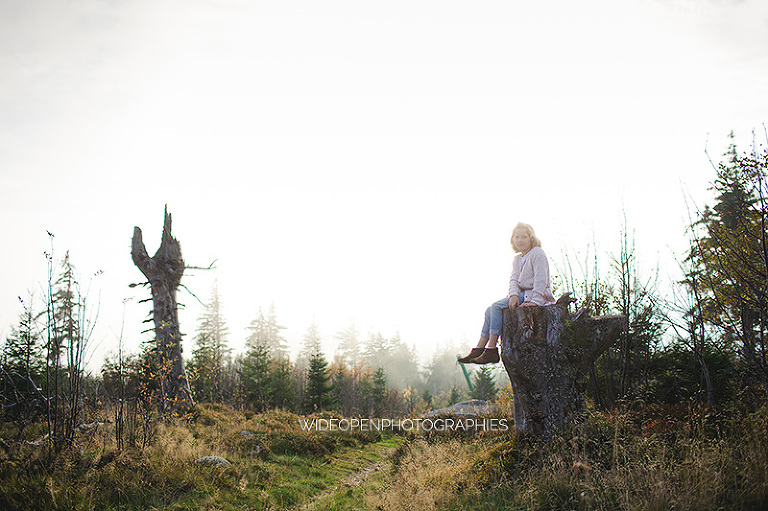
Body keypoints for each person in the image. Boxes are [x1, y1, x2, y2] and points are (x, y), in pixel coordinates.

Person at [458, 222, 556, 365]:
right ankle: (479, 348)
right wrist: (513, 295)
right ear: (513, 240)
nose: (520, 240)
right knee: (489, 310)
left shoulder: (537, 253)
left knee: (496, 307)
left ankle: (491, 350)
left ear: (531, 238)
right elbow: (513, 279)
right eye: (517, 237)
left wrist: (536, 301)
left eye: (524, 237)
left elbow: (541, 279)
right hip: (521, 294)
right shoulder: (517, 259)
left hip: (534, 294)